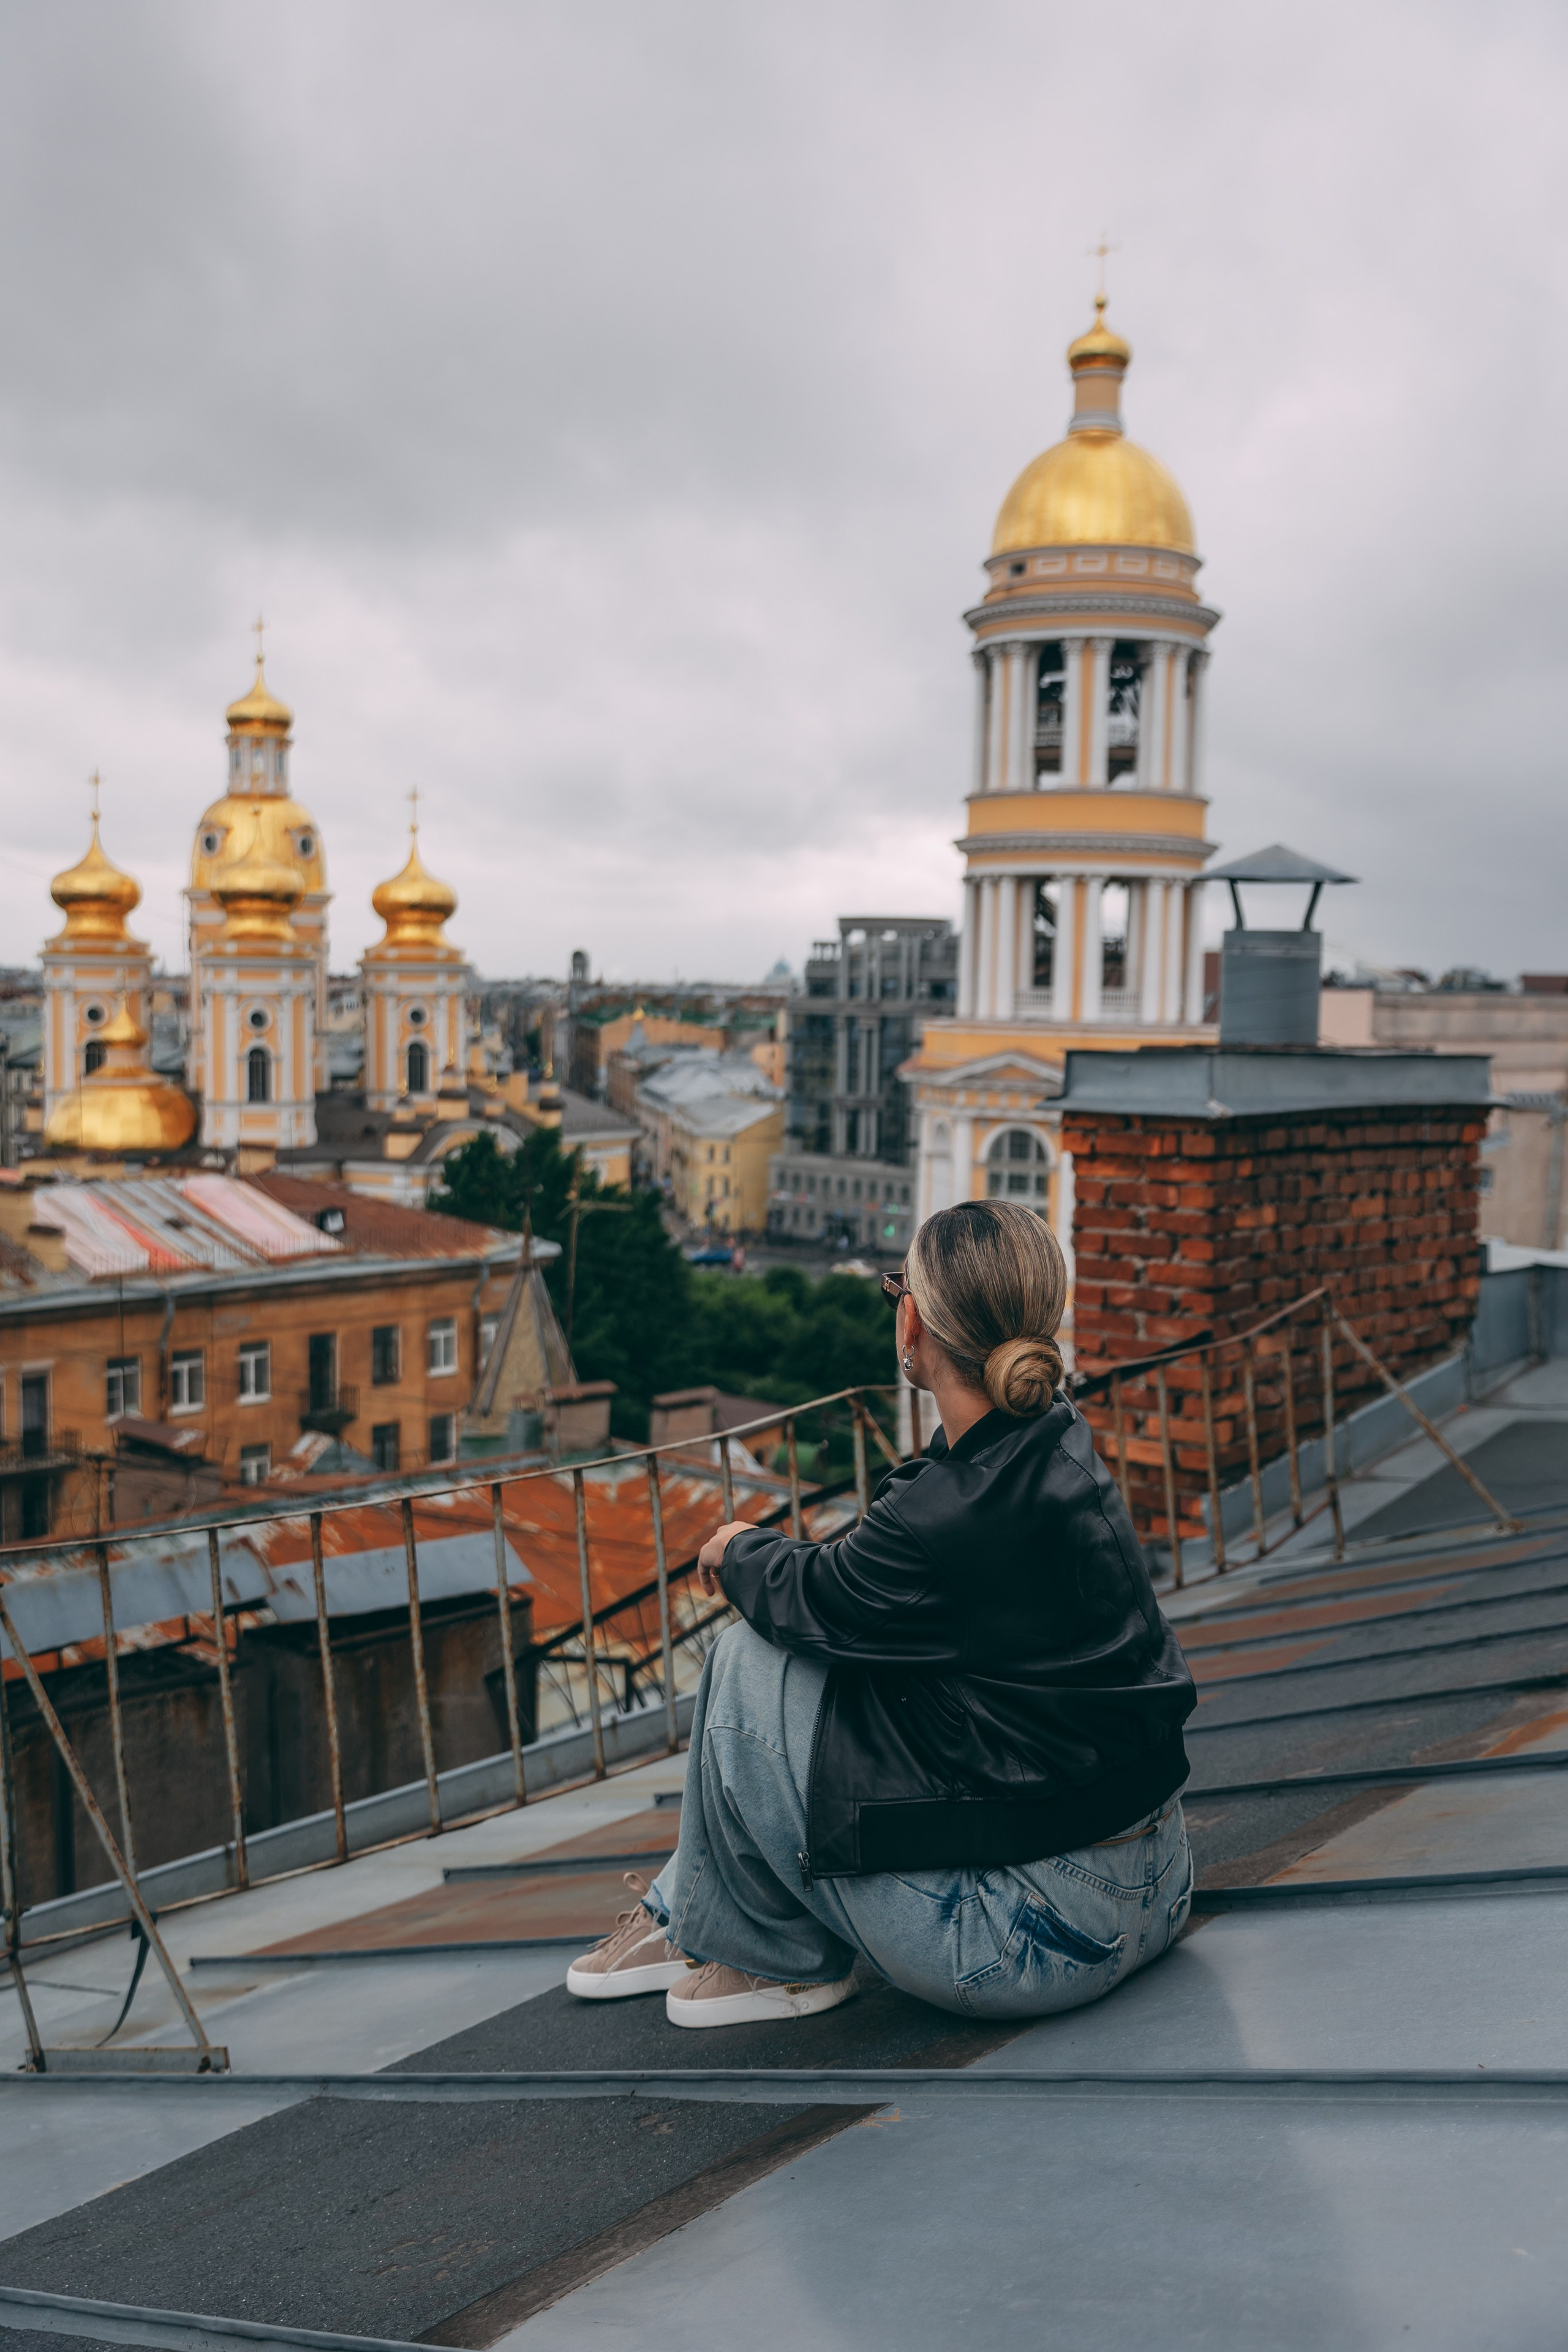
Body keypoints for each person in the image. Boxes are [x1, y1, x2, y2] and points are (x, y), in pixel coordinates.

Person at [567, 1198, 1196, 2029]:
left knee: (746, 1662)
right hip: (1158, 1885)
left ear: (913, 1325)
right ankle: (681, 1912)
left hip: (1034, 1941)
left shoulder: (944, 1514)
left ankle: (778, 1961)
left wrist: (737, 1545)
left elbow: (816, 1597)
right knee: (824, 1664)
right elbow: (861, 1599)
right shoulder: (1057, 1439)